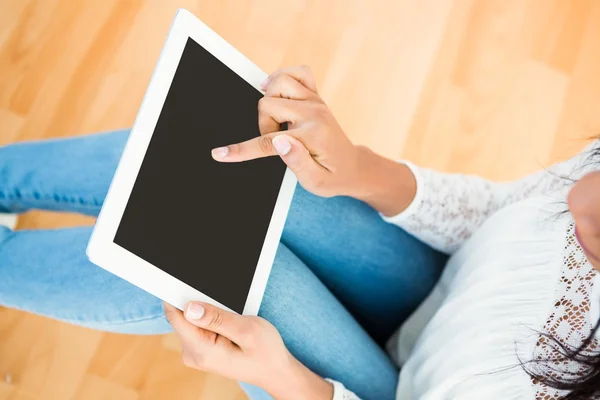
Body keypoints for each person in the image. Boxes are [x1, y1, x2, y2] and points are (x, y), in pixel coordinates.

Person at [1, 66, 599, 400]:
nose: (588, 192)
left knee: (200, 269)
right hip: (439, 289)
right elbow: (498, 209)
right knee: (230, 162)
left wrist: (285, 381)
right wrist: (358, 170)